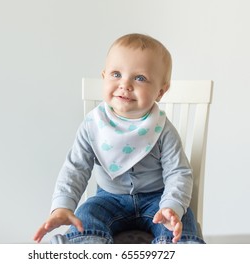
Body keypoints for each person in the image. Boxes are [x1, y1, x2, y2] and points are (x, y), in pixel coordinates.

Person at [34, 33, 205, 244]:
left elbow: (178, 172)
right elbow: (75, 168)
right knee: (87, 214)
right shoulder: (93, 125)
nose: (125, 84)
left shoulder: (162, 128)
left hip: (157, 200)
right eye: (116, 74)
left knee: (179, 222)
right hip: (108, 199)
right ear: (104, 76)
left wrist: (172, 207)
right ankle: (83, 244)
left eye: (140, 78)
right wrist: (62, 206)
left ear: (161, 91)